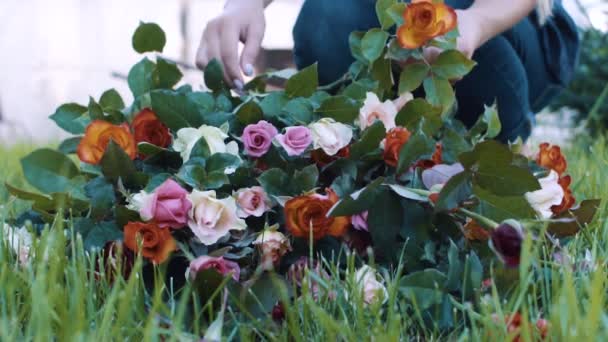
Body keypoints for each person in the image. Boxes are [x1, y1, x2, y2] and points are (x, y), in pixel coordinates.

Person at [195, 0, 579, 143]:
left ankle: (504, 141)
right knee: (325, 16)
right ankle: (369, 135)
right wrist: (241, 5)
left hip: (515, 25)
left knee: (442, 10)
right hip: (397, 13)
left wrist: (475, 22)